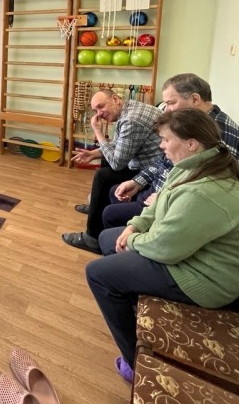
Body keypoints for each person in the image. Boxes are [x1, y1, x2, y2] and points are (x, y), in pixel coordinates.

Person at [86, 109, 239, 383]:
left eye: (166, 140)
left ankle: (135, 361)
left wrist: (133, 240)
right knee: (108, 238)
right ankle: (133, 298)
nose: (161, 145)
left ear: (191, 143)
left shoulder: (203, 191)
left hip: (202, 277)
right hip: (186, 252)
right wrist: (135, 225)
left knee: (97, 273)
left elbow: (165, 247)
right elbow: (159, 205)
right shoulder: (196, 165)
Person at [102, 73, 239, 231]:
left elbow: (209, 188)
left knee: (111, 214)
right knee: (116, 192)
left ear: (195, 99)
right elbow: (164, 162)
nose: (166, 110)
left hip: (174, 201)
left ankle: (124, 239)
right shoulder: (193, 122)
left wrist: (165, 198)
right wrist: (138, 182)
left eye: (171, 103)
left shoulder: (218, 134)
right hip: (162, 188)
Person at [62, 89, 162, 253]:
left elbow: (116, 163)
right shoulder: (129, 109)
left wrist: (98, 132)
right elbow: (118, 145)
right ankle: (97, 206)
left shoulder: (131, 120)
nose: (99, 114)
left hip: (151, 171)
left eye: (101, 107)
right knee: (104, 159)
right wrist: (93, 154)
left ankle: (92, 237)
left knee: (103, 175)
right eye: (95, 110)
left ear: (115, 99)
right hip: (145, 163)